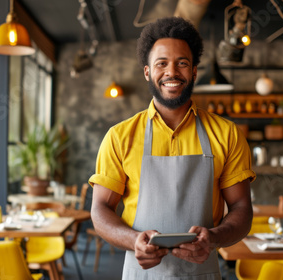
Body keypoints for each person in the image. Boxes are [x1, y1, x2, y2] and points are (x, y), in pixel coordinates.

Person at [89, 16, 256, 279]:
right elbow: (100, 209)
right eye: (161, 63)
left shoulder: (227, 134)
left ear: (194, 72)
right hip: (140, 273)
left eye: (182, 63)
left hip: (203, 272)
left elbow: (242, 209)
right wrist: (134, 240)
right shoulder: (119, 137)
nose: (172, 72)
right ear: (147, 71)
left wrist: (212, 238)